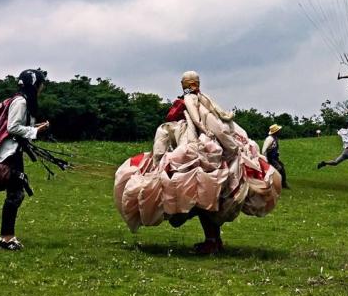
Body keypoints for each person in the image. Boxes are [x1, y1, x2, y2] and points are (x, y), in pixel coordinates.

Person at [114, 71, 281, 255]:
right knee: (206, 201)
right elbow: (223, 131)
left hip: (203, 158)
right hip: (210, 158)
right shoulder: (205, 103)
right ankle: (213, 241)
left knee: (204, 200)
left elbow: (202, 124)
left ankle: (212, 241)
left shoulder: (194, 103)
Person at [0, 69, 50, 250]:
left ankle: (7, 236)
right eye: (40, 83)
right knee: (16, 194)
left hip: (14, 153)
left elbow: (18, 126)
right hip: (9, 154)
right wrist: (36, 131)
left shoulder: (24, 101)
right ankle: (6, 238)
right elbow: (13, 127)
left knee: (16, 193)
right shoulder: (21, 102)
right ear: (34, 84)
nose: (42, 87)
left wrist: (35, 127)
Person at [262, 124, 289, 189]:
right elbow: (263, 150)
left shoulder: (275, 138)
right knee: (279, 168)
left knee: (282, 167)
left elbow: (275, 148)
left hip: (275, 157)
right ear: (276, 132)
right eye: (278, 130)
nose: (280, 131)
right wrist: (265, 160)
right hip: (270, 158)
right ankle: (274, 183)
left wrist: (277, 154)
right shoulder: (269, 139)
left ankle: (283, 183)